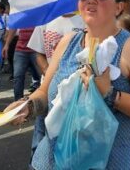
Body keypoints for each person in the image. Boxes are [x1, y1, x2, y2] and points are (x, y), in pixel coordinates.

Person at [6, 0, 130, 169]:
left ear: (119, 7)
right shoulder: (67, 42)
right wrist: (27, 107)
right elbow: (44, 92)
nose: (91, 1)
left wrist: (110, 93)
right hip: (54, 158)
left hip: (112, 160)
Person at [26, 12, 85, 162]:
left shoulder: (85, 20)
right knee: (40, 131)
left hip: (74, 95)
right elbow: (38, 52)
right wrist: (26, 107)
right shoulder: (46, 18)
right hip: (49, 87)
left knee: (67, 138)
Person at [11, 28, 41, 100]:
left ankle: (43, 100)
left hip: (36, 49)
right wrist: (6, 44)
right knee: (18, 76)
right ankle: (17, 101)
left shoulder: (39, 17)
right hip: (21, 50)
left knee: (43, 76)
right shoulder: (22, 17)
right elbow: (13, 27)